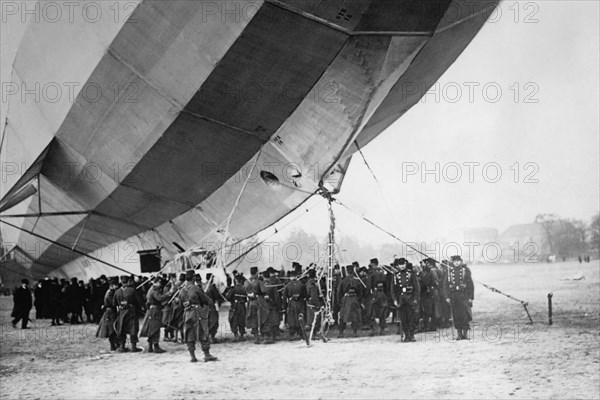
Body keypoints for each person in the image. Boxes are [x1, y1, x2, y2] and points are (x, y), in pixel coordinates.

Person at [180, 270, 217, 362]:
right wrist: (210, 302)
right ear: (193, 278)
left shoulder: (182, 290)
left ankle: (192, 356)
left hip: (187, 313)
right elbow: (206, 300)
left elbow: (182, 304)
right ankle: (207, 354)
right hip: (197, 313)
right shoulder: (195, 288)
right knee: (203, 332)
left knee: (189, 334)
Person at [443, 255, 474, 340]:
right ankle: (459, 334)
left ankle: (465, 334)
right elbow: (445, 286)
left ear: (460, 261)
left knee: (465, 315)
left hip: (464, 297)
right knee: (456, 316)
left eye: (458, 261)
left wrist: (471, 297)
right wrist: (447, 297)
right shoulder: (449, 272)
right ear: (452, 263)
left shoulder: (465, 271)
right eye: (454, 261)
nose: (456, 263)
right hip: (454, 297)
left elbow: (470, 285)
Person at [392, 258, 420, 342]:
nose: (402, 266)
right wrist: (395, 300)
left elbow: (417, 288)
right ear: (398, 265)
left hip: (410, 299)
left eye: (403, 264)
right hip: (401, 300)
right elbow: (393, 290)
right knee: (404, 319)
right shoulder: (395, 275)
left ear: (405, 264)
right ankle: (406, 335)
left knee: (412, 318)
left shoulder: (411, 274)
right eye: (400, 265)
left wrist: (415, 298)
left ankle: (412, 335)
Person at [140, 277, 169, 353]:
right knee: (156, 327)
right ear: (156, 282)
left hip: (151, 310)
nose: (160, 284)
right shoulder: (154, 290)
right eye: (159, 282)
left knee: (151, 328)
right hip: (155, 311)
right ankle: (156, 346)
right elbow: (160, 298)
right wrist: (169, 294)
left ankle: (150, 346)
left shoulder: (151, 289)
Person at [114, 275, 142, 352]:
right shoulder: (132, 290)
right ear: (128, 281)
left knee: (121, 328)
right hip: (131, 312)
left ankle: (122, 346)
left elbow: (114, 303)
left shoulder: (117, 292)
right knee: (133, 328)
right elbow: (138, 301)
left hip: (121, 312)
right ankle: (133, 347)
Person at [337, 265, 364, 338]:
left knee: (343, 316)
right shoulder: (357, 281)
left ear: (346, 271)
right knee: (354, 316)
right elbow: (360, 293)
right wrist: (359, 300)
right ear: (353, 271)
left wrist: (339, 302)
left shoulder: (343, 281)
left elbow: (339, 293)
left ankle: (341, 332)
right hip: (354, 299)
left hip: (346, 299)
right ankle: (354, 332)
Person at [96, 277, 119, 351]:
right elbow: (113, 303)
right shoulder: (110, 293)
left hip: (110, 311)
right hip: (110, 312)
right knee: (112, 329)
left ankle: (114, 345)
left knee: (112, 328)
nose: (117, 287)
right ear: (112, 285)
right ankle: (114, 345)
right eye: (115, 285)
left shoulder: (109, 292)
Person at [367, 258, 389, 335]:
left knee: (371, 311)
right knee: (382, 312)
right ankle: (382, 330)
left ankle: (373, 330)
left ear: (373, 264)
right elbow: (387, 286)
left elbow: (369, 286)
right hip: (382, 294)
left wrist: (368, 295)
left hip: (375, 294)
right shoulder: (382, 273)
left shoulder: (372, 274)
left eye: (371, 264)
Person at [283, 270, 306, 340]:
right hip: (300, 303)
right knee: (300, 317)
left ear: (290, 277)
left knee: (292, 318)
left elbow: (284, 297)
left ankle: (292, 334)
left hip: (291, 303)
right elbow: (305, 295)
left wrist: (285, 306)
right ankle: (300, 333)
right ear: (296, 276)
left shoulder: (287, 286)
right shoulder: (301, 285)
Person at [226, 274, 247, 342]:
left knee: (233, 320)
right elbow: (246, 299)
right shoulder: (244, 288)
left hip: (235, 306)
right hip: (242, 306)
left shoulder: (234, 289)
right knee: (241, 320)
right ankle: (242, 335)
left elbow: (228, 298)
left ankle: (236, 335)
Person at [420, 258, 439, 332]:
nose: (422, 264)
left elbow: (432, 281)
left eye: (424, 263)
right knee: (430, 310)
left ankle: (428, 326)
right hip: (429, 293)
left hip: (429, 293)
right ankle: (431, 326)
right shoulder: (425, 272)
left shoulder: (430, 272)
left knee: (429, 311)